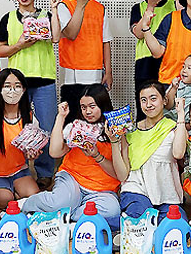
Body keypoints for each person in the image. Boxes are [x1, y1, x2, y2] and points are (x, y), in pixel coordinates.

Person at [20, 85, 122, 231]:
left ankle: (64, 215)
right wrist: (61, 117)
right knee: (59, 202)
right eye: (83, 107)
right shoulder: (76, 127)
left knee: (112, 211)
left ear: (102, 104)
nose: (87, 111)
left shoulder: (115, 132)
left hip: (103, 190)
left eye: (92, 106)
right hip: (72, 179)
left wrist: (97, 156)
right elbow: (55, 152)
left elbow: (118, 174)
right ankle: (26, 204)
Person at [0, 0, 61, 190]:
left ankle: (45, 173)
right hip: (17, 83)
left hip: (44, 80)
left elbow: (56, 38)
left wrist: (55, 10)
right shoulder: (7, 19)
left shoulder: (46, 15)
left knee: (47, 128)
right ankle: (19, 170)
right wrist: (20, 45)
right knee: (17, 127)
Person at [112, 81, 189, 221]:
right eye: (143, 100)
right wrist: (114, 141)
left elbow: (178, 154)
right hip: (136, 189)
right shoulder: (130, 131)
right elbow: (123, 175)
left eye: (153, 98)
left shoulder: (174, 128)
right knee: (140, 219)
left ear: (164, 100)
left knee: (176, 224)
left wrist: (181, 114)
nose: (148, 104)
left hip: (166, 194)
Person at [56, 0, 113, 123]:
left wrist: (108, 71)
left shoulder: (99, 7)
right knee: (72, 118)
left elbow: (105, 41)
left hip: (95, 71)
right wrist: (80, 4)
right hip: (71, 72)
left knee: (95, 117)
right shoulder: (63, 5)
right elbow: (70, 33)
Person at [0, 68, 40, 210]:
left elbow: (30, 150)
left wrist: (32, 154)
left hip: (17, 170)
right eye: (7, 86)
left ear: (24, 89)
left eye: (17, 86)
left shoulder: (29, 117)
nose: (12, 91)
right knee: (6, 200)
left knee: (34, 195)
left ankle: (8, 192)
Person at [129, 0, 178, 119]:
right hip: (144, 62)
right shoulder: (138, 7)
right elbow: (138, 33)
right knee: (144, 107)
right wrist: (150, 6)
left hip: (169, 62)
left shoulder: (174, 5)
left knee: (169, 107)